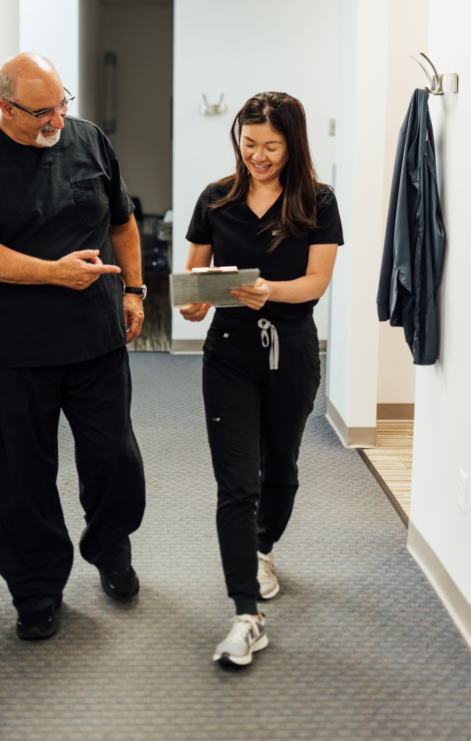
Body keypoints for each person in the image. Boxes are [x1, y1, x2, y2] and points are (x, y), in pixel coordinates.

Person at [0, 52, 147, 641]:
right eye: (41, 111)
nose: (56, 119)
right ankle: (36, 590)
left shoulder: (87, 140)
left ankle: (110, 548)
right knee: (19, 476)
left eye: (62, 104)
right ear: (5, 107)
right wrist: (53, 272)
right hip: (15, 349)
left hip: (95, 339)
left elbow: (123, 222)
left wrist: (133, 291)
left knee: (115, 458)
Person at [181, 92, 343, 667]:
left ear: (293, 144)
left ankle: (264, 548)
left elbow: (316, 283)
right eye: (249, 144)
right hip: (229, 352)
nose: (258, 156)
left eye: (271, 146)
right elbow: (196, 276)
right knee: (236, 482)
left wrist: (269, 291)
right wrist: (195, 304)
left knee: (281, 467)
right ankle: (245, 614)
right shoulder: (216, 198)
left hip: (292, 350)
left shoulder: (317, 202)